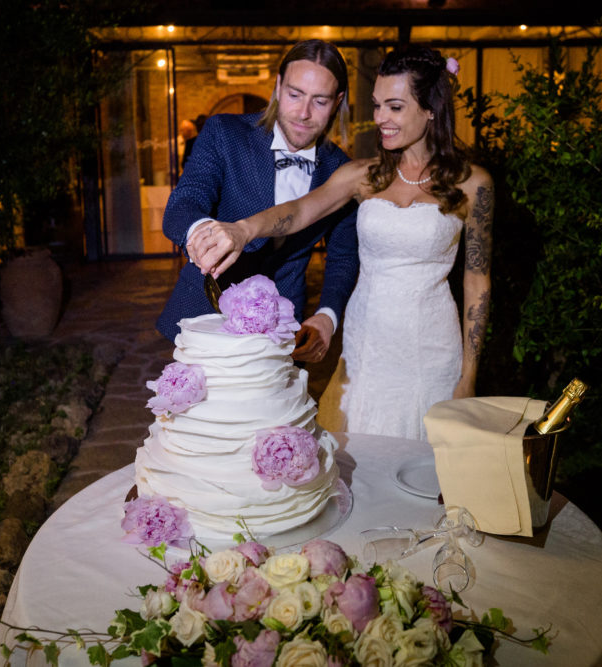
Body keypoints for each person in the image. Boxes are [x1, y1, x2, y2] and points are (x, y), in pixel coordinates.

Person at [190, 46, 493, 441]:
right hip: (367, 341)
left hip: (433, 342)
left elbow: (477, 283)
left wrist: (469, 374)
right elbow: (298, 212)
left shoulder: (474, 184)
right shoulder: (361, 175)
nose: (380, 118)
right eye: (377, 105)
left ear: (431, 109)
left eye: (395, 107)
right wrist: (243, 229)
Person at [156, 40, 359, 363]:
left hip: (284, 325)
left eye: (319, 101)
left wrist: (328, 315)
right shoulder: (224, 132)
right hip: (207, 312)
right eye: (294, 95)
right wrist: (206, 233)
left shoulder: (342, 171)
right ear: (278, 87)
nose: (303, 114)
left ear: (338, 102)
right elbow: (183, 204)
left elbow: (344, 257)